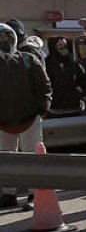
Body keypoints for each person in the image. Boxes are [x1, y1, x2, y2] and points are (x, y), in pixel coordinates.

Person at [0, 22, 51, 210]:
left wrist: (42, 107)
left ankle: (35, 193)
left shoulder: (28, 59)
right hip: (3, 121)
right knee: (6, 159)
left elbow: (44, 86)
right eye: (0, 38)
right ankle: (8, 194)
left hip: (30, 117)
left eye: (8, 36)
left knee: (33, 156)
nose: (5, 41)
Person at [46, 38, 86, 117]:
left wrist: (79, 93)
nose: (64, 49)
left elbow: (83, 80)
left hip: (74, 106)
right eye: (60, 45)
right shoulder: (47, 64)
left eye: (65, 45)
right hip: (55, 108)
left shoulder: (73, 63)